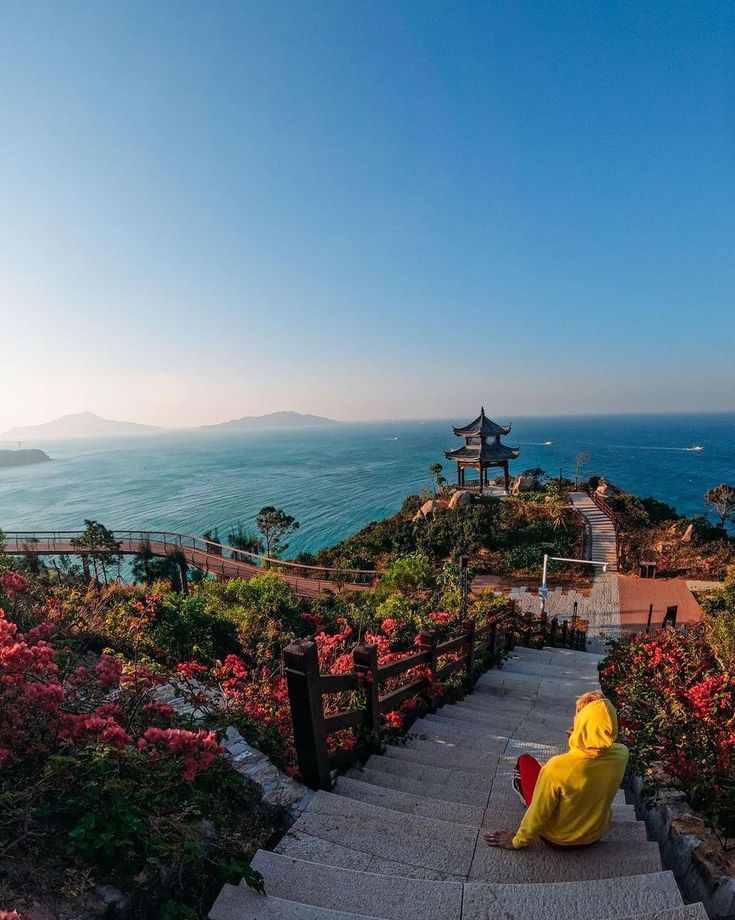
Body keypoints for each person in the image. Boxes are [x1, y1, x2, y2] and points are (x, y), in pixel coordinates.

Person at [484, 690, 629, 850]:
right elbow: (601, 749)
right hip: (595, 834)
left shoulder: (557, 767)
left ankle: (523, 796)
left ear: (581, 724)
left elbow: (538, 813)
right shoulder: (622, 754)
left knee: (525, 761)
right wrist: (581, 737)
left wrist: (517, 840)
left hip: (557, 839)